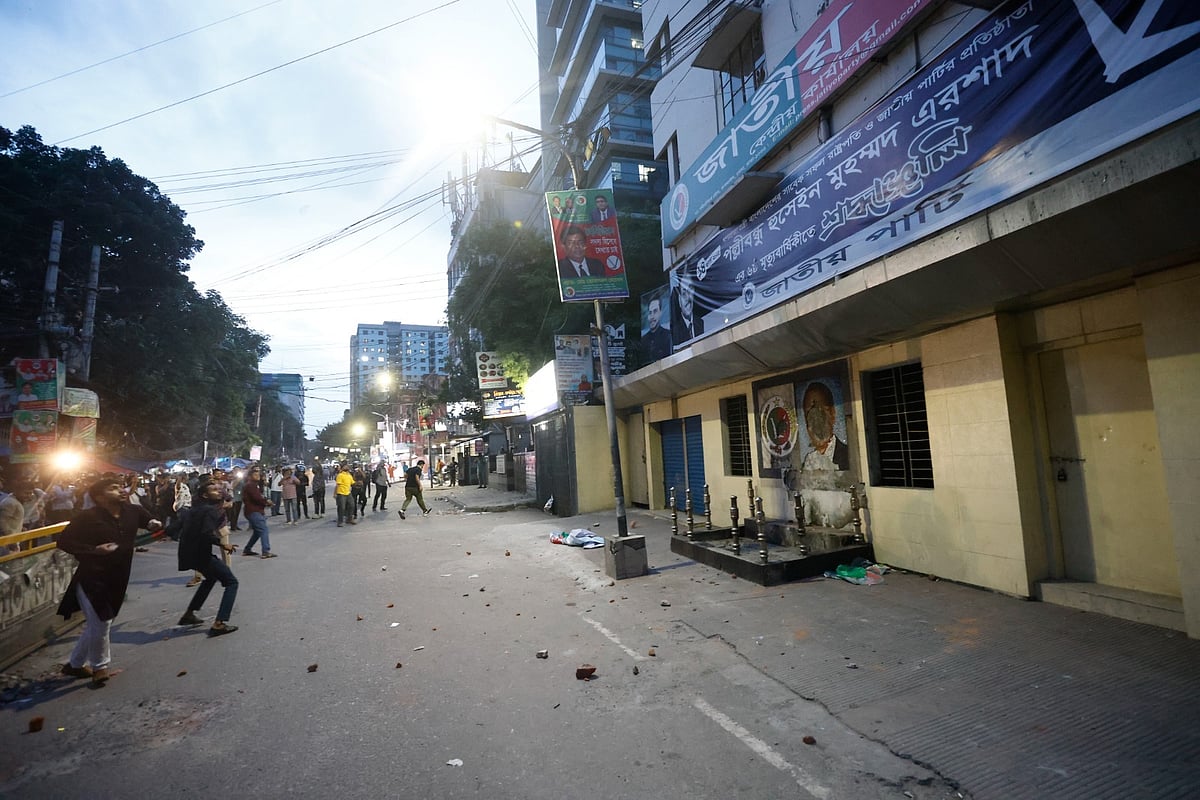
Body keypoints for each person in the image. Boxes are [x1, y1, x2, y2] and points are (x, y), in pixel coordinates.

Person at [56, 478, 162, 685]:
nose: (121, 490)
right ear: (99, 496)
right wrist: (94, 550)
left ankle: (74, 665)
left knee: (101, 622)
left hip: (119, 576)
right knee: (102, 621)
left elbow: (148, 521)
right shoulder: (87, 517)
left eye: (121, 486)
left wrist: (153, 523)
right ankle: (100, 666)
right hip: (91, 577)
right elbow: (64, 542)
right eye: (113, 488)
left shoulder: (133, 511)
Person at [177, 479, 239, 636]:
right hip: (200, 554)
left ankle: (189, 614)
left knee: (211, 578)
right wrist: (223, 544)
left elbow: (178, 527)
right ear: (205, 495)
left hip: (189, 553)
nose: (218, 490)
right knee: (231, 582)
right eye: (214, 489)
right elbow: (206, 534)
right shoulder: (209, 511)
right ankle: (219, 623)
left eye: (218, 488)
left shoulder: (195, 509)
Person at [799, 381, 849, 471]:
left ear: (832, 413)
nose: (816, 422)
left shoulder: (848, 455)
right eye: (809, 415)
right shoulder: (808, 462)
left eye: (821, 411)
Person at [240, 466, 277, 557]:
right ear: (250, 476)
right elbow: (256, 498)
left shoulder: (254, 485)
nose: (258, 476)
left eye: (258, 474)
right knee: (263, 530)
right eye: (255, 474)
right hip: (254, 511)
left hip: (253, 511)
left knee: (257, 532)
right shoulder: (250, 485)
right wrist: (267, 502)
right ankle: (265, 551)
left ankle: (247, 549)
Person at [673, 276, 704, 344]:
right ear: (679, 300)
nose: (688, 297)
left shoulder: (700, 323)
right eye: (684, 294)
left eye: (690, 291)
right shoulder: (674, 331)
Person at [642, 294, 672, 361]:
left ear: (660, 313)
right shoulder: (643, 340)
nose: (652, 317)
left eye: (655, 311)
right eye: (650, 312)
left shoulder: (668, 336)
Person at [334, 462, 356, 527]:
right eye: (345, 466)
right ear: (342, 467)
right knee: (342, 508)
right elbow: (337, 485)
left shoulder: (349, 475)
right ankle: (340, 521)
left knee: (352, 505)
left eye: (347, 466)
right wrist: (335, 494)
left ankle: (349, 519)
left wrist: (357, 483)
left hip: (348, 493)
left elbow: (352, 483)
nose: (347, 467)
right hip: (341, 493)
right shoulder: (340, 475)